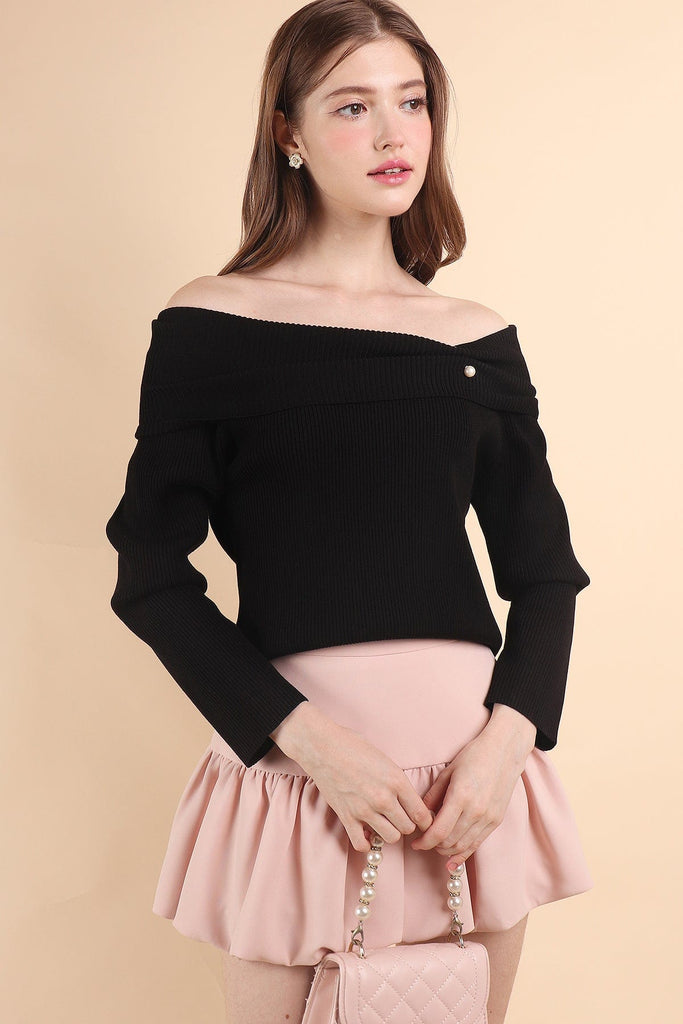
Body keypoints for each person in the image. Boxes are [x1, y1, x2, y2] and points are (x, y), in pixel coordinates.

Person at [105, 2, 594, 1022]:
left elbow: (545, 572)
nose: (391, 134)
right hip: (303, 777)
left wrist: (506, 741)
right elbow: (149, 574)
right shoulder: (209, 328)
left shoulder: (473, 338)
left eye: (411, 102)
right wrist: (303, 739)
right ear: (286, 130)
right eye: (351, 106)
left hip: (468, 788)